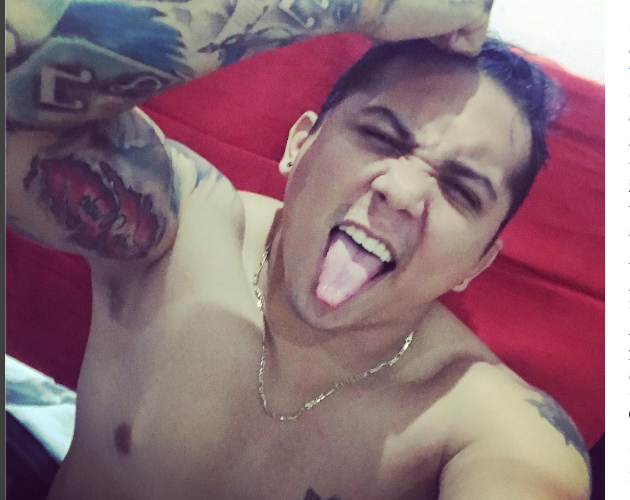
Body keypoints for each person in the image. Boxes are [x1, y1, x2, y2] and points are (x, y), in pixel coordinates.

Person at [6, 1, 591, 499]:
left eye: (461, 190)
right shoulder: (179, 227)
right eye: (380, 136)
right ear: (299, 144)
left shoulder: (491, 424)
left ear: (476, 264)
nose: (402, 191)